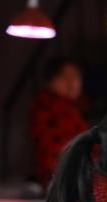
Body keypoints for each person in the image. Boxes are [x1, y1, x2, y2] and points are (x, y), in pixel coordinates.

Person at [29, 57, 89, 191]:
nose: (72, 83)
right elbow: (56, 152)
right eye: (66, 77)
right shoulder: (46, 108)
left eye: (76, 77)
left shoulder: (77, 108)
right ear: (51, 80)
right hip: (60, 181)